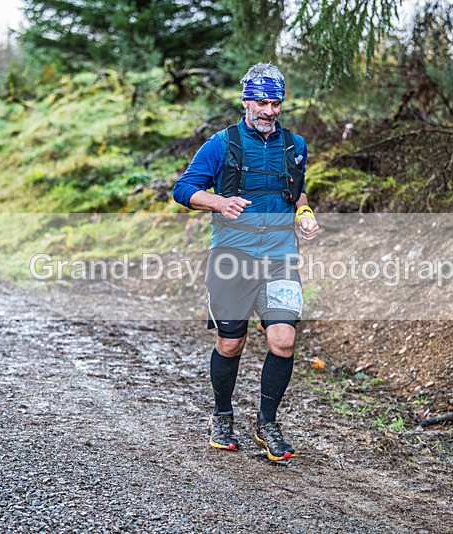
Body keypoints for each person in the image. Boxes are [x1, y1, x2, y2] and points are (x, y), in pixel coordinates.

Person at [172, 63, 319, 462]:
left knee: (283, 340)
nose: (270, 111)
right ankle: (222, 415)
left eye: (276, 103)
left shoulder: (296, 145)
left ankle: (267, 423)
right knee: (231, 342)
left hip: (280, 257)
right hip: (232, 257)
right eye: (262, 102)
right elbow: (183, 189)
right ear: (246, 100)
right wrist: (218, 201)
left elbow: (297, 194)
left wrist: (303, 214)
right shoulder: (221, 144)